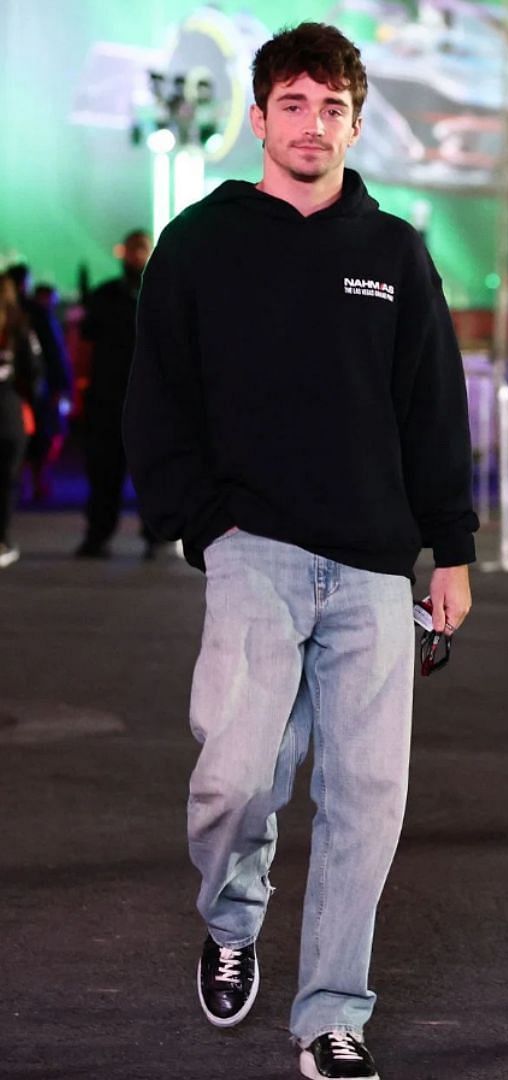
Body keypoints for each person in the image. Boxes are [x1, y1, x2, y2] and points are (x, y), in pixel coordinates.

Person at [124, 22, 476, 1080]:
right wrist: (205, 518)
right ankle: (232, 919)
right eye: (293, 104)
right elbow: (156, 399)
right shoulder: (199, 242)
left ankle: (332, 1014)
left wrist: (448, 552)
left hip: (374, 570)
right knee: (236, 778)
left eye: (333, 108)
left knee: (368, 803)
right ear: (259, 116)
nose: (313, 124)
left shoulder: (395, 254)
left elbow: (432, 413)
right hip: (255, 553)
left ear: (355, 122)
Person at [77, 229, 161, 558]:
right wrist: (82, 389)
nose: (137, 256)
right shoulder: (104, 296)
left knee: (152, 472)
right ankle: (98, 534)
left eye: (142, 250)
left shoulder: (161, 292)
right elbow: (85, 346)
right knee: (103, 472)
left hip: (150, 401)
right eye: (133, 250)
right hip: (107, 398)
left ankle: (154, 536)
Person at [7, 264, 71, 505]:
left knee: (28, 438)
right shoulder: (36, 312)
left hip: (19, 388)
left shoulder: (16, 312)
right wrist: (60, 386)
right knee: (40, 438)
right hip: (34, 388)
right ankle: (35, 482)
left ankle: (25, 483)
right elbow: (55, 352)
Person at [0, 273, 40, 568]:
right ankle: (2, 538)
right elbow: (33, 372)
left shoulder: (19, 327)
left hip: (10, 411)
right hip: (9, 410)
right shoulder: (19, 326)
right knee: (6, 479)